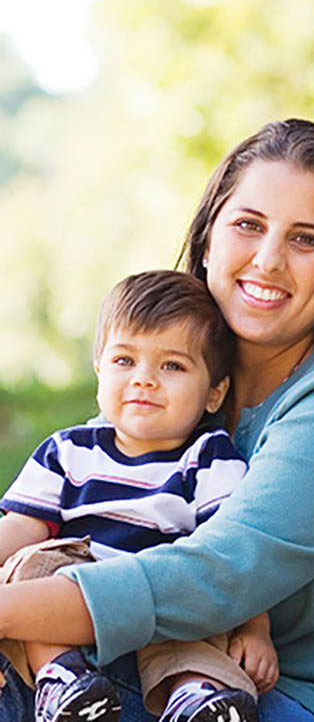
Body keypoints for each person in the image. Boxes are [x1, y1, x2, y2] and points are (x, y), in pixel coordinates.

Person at [0, 119, 314, 722]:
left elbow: (215, 576)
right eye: (248, 226)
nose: (269, 260)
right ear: (207, 241)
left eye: (307, 240)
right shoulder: (174, 382)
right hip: (166, 668)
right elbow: (49, 519)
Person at [0, 270, 278, 722]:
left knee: (196, 614)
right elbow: (21, 527)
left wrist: (255, 630)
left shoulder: (209, 458)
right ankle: (63, 680)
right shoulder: (69, 451)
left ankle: (194, 696)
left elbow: (236, 558)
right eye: (125, 361)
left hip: (163, 607)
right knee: (33, 566)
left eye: (172, 366)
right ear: (98, 371)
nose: (144, 379)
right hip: (70, 602)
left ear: (214, 392)